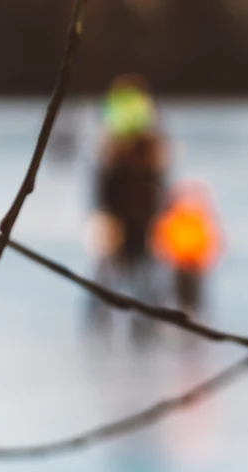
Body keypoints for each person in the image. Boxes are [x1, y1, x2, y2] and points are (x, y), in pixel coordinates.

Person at [88, 75, 169, 340]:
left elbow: (158, 190)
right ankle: (102, 330)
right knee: (111, 278)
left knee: (143, 279)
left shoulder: (148, 149)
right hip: (120, 223)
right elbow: (103, 190)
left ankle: (144, 329)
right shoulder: (114, 149)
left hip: (142, 223)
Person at [153, 180, 224, 317]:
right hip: (181, 269)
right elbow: (164, 240)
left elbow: (212, 243)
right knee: (180, 301)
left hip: (194, 269)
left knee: (194, 305)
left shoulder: (198, 221)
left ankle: (192, 316)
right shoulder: (176, 220)